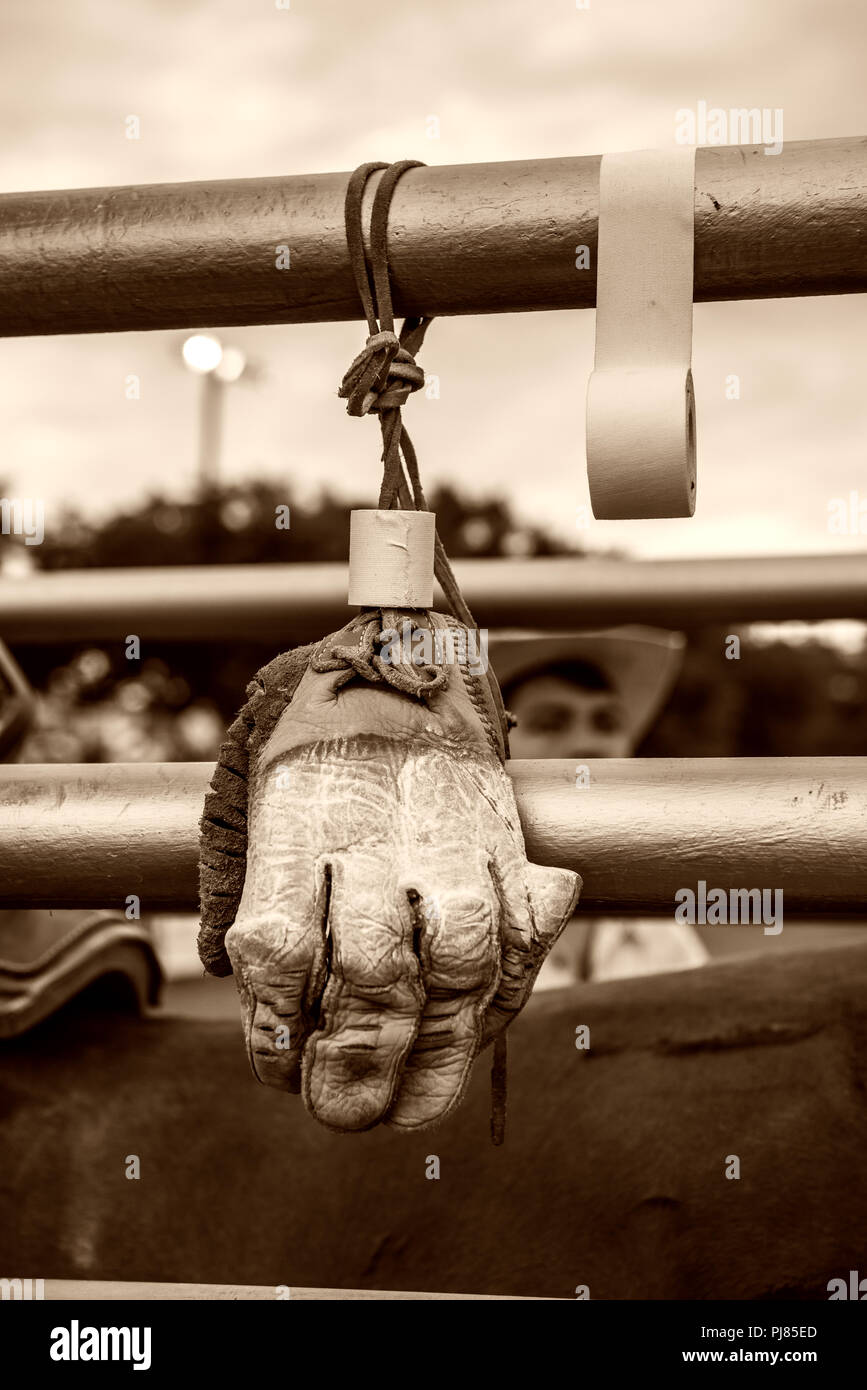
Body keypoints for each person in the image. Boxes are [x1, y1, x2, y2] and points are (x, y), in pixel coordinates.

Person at [490, 625, 708, 986]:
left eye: (606, 723)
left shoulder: (654, 926)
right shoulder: (456, 917)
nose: (587, 744)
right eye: (550, 722)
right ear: (493, 742)